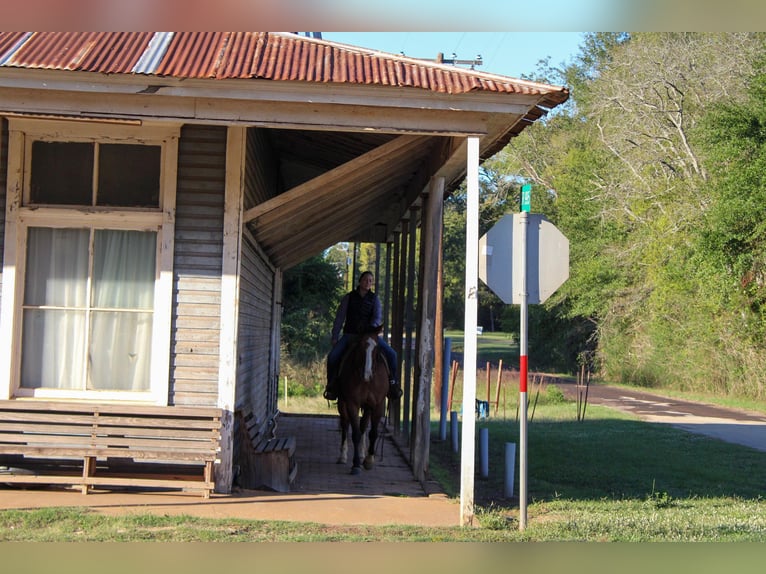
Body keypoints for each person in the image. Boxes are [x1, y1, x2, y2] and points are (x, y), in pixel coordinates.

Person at [324, 271, 402, 402]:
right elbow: (340, 318)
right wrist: (335, 336)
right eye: (366, 280)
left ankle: (393, 383)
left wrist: (370, 329)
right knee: (332, 357)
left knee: (392, 354)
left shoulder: (374, 299)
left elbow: (377, 317)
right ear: (360, 281)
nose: (368, 282)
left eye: (371, 281)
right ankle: (332, 385)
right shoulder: (348, 298)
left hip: (369, 335)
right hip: (350, 334)